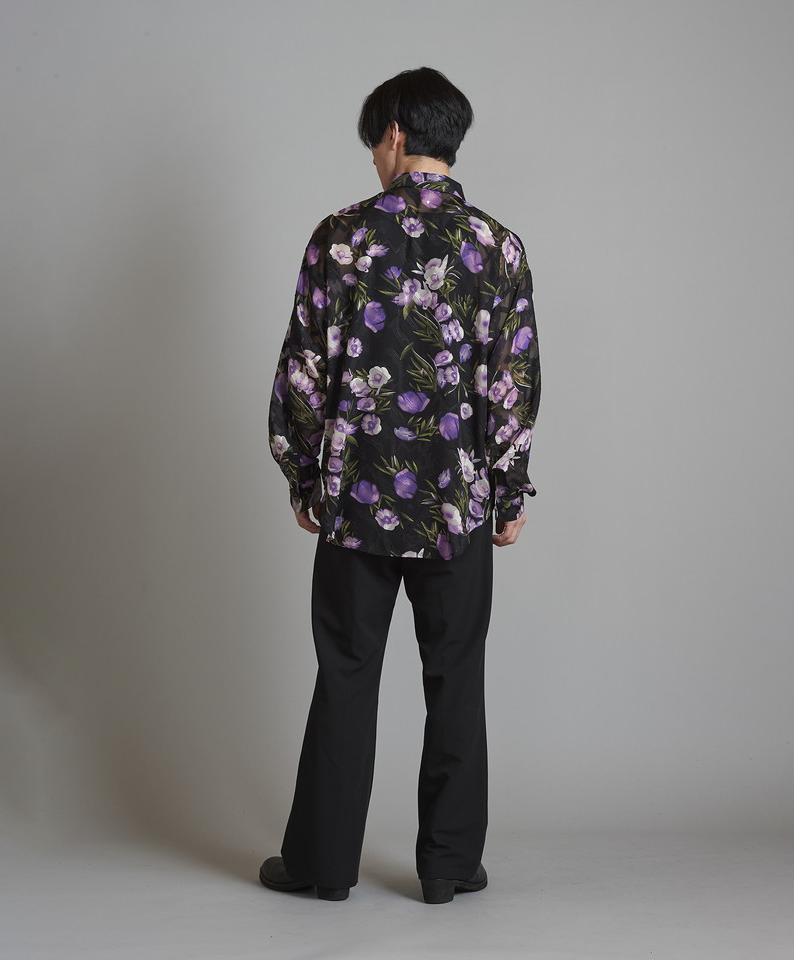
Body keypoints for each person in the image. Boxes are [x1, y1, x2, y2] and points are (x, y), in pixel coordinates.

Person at [260, 66, 542, 904]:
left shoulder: (340, 237)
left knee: (347, 673)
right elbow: (513, 383)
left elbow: (303, 373)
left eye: (374, 146)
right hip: (457, 504)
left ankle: (322, 866)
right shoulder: (498, 247)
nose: (375, 161)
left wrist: (305, 477)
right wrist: (508, 491)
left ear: (393, 135)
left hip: (357, 502)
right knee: (455, 676)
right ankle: (448, 867)